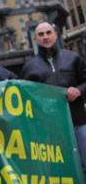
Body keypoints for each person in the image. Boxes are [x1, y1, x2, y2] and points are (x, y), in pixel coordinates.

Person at [20, 22, 86, 178]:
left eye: (49, 32)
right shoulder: (29, 67)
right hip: (50, 128)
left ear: (56, 35)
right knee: (61, 169)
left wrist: (79, 90)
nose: (46, 37)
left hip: (79, 122)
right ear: (35, 39)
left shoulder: (73, 58)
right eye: (41, 34)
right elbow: (26, 98)